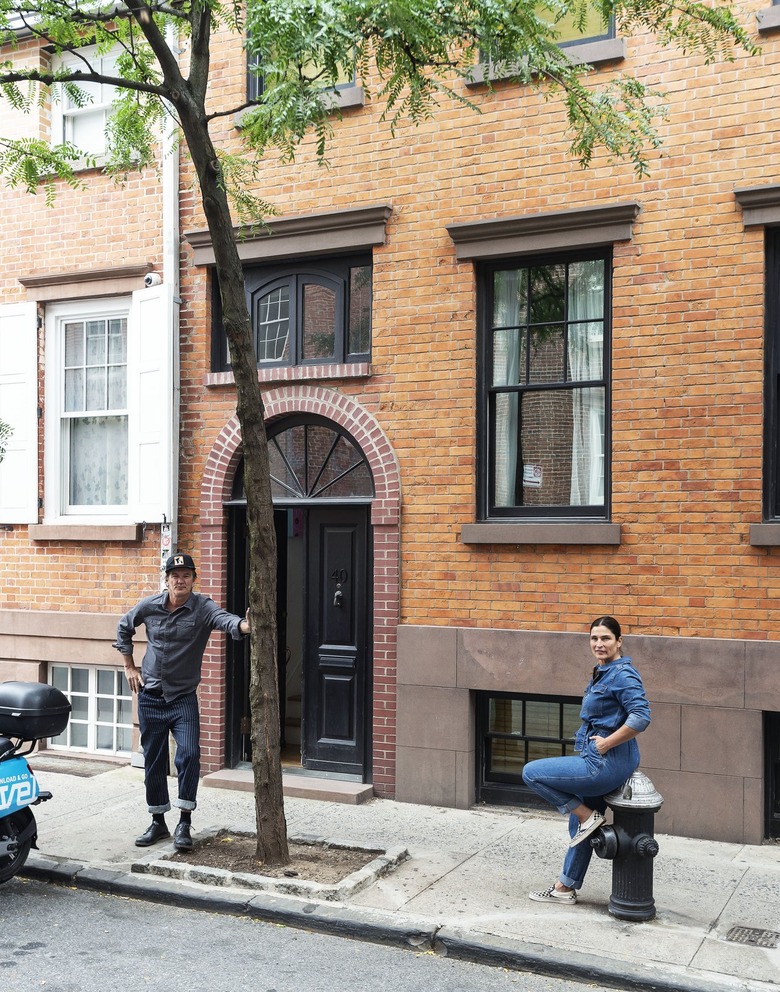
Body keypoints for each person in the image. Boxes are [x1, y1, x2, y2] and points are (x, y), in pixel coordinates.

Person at [113, 553, 250, 851]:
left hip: (182, 699)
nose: (180, 580)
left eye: (186, 575)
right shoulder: (150, 606)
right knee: (153, 760)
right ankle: (158, 822)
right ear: (167, 579)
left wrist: (243, 626)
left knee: (188, 754)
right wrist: (129, 665)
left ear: (193, 580)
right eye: (175, 575)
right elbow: (124, 627)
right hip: (150, 697)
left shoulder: (202, 607)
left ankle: (184, 821)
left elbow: (223, 620)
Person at [521, 616, 651, 905]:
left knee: (532, 773)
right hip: (606, 759)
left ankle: (585, 816)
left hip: (604, 763)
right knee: (583, 827)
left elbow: (641, 716)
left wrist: (606, 742)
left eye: (605, 638)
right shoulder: (603, 671)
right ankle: (564, 888)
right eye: (594, 638)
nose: (599, 644)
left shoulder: (623, 675)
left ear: (619, 641)